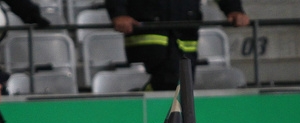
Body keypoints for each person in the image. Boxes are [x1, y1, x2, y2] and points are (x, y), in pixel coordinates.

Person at [105, 0, 250, 91]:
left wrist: (234, 9)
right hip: (148, 31)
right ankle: (140, 105)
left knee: (183, 85)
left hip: (185, 34)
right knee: (172, 78)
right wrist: (118, 13)